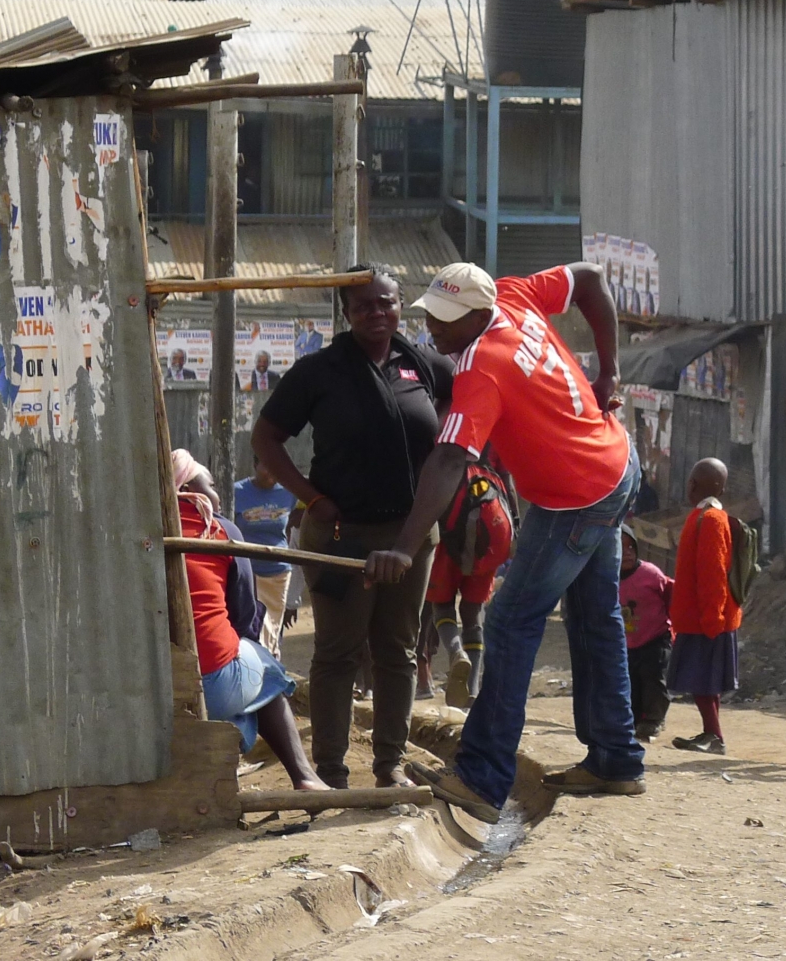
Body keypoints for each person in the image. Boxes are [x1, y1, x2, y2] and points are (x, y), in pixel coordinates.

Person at [362, 261, 644, 821]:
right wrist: (608, 371)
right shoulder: (514, 295)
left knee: (513, 621)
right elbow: (588, 277)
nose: (433, 330)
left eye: (445, 320)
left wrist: (405, 543)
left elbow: (448, 458)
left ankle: (482, 776)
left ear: (477, 312)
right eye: (430, 317)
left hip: (575, 496)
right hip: (615, 462)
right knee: (596, 616)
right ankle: (616, 758)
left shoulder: (482, 368)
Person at [251, 264, 454, 790]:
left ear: (399, 303)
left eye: (386, 302)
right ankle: (330, 772)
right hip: (341, 537)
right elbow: (267, 438)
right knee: (338, 653)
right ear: (347, 312)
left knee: (398, 651)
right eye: (364, 305)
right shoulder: (319, 371)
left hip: (410, 537)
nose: (377, 313)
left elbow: (456, 434)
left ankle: (389, 766)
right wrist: (311, 497)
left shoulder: (427, 365)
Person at [173, 450, 325, 791]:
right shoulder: (219, 529)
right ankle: (304, 776)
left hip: (152, 687)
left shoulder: (139, 534)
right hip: (210, 678)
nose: (217, 493)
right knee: (267, 670)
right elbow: (243, 616)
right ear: (189, 487)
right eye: (210, 484)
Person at [423, 456, 515, 709]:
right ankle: (471, 691)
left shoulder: (444, 427)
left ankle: (455, 652)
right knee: (474, 612)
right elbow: (506, 478)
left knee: (441, 605)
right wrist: (515, 525)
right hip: (491, 527)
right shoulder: (495, 431)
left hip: (448, 526)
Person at [667, 459, 741, 755]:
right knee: (704, 682)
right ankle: (711, 733)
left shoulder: (709, 520)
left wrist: (713, 618)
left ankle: (714, 735)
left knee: (702, 682)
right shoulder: (705, 517)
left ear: (695, 485)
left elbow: (713, 574)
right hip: (699, 617)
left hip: (706, 619)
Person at [233, 458, 299, 654]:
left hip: (278, 574)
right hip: (247, 573)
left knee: (272, 628)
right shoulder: (238, 492)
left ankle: (270, 671)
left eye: (275, 467)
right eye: (266, 466)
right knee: (251, 627)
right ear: (255, 465)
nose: (271, 472)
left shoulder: (288, 492)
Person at [620, 528, 674, 741]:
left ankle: (654, 720)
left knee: (654, 679)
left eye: (631, 547)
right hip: (627, 642)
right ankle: (635, 719)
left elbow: (670, 595)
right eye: (621, 548)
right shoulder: (608, 579)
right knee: (630, 681)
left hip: (655, 637)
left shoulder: (650, 574)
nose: (627, 553)